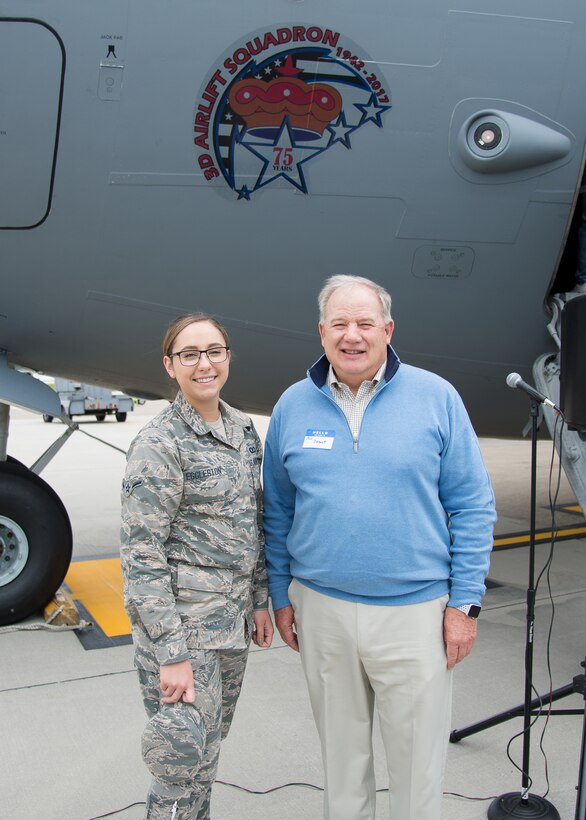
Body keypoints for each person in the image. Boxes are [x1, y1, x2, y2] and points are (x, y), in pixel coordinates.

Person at [262, 275, 496, 820]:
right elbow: (277, 509)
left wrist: (464, 606)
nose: (352, 336)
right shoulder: (293, 406)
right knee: (341, 767)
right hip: (322, 611)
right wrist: (279, 593)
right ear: (321, 332)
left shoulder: (436, 397)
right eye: (339, 324)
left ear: (388, 330)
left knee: (418, 772)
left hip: (416, 615)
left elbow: (473, 505)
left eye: (365, 323)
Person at [120, 313, 273, 820]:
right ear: (170, 365)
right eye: (190, 354)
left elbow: (252, 522)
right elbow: (142, 557)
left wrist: (259, 602)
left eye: (214, 351)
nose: (204, 364)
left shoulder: (242, 429)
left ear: (228, 356)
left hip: (229, 632)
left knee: (207, 756)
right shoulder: (159, 443)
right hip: (183, 638)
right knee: (180, 765)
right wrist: (171, 654)